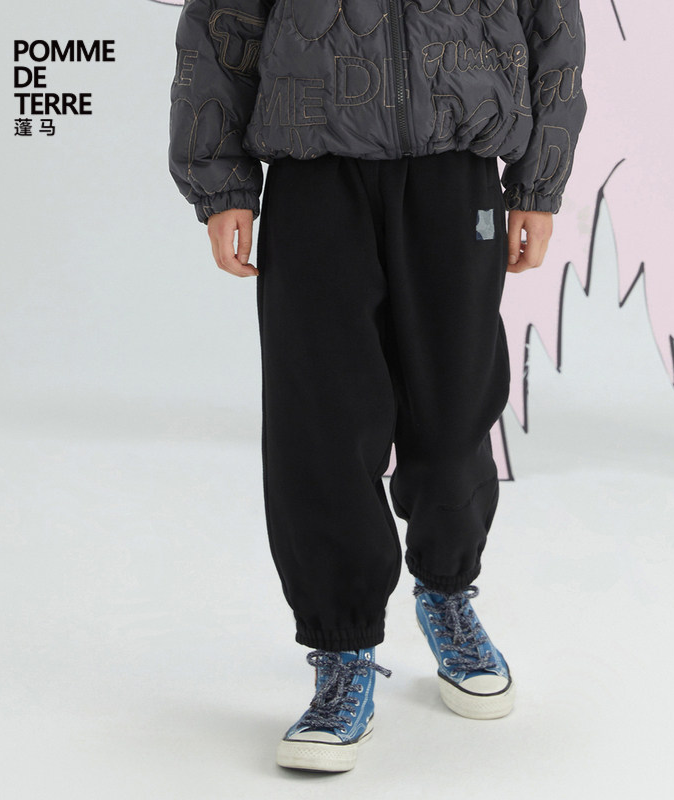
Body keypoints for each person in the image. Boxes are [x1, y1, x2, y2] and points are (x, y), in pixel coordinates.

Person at [169, 0, 587, 773]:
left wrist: (539, 183)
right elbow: (220, 27)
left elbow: (552, 26)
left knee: (456, 410)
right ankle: (343, 650)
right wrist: (221, 183)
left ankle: (446, 593)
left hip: (458, 169)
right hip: (314, 171)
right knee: (320, 424)